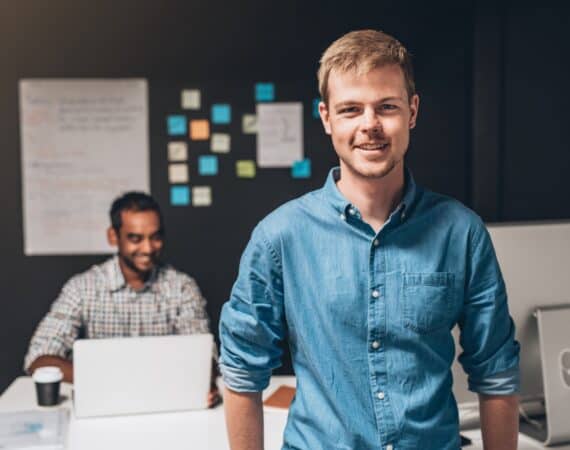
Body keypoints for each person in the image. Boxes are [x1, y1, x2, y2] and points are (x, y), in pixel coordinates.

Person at [219, 30, 520, 449]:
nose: (370, 125)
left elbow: (497, 372)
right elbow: (241, 373)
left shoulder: (461, 232)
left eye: (387, 107)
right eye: (350, 109)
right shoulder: (279, 237)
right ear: (326, 118)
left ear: (412, 111)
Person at [25, 191, 219, 406]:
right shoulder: (83, 287)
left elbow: (204, 359)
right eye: (135, 238)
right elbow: (39, 358)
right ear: (113, 236)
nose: (147, 248)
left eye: (155, 237)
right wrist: (113, 382)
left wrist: (201, 380)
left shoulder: (182, 287)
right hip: (104, 405)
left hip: (164, 405)